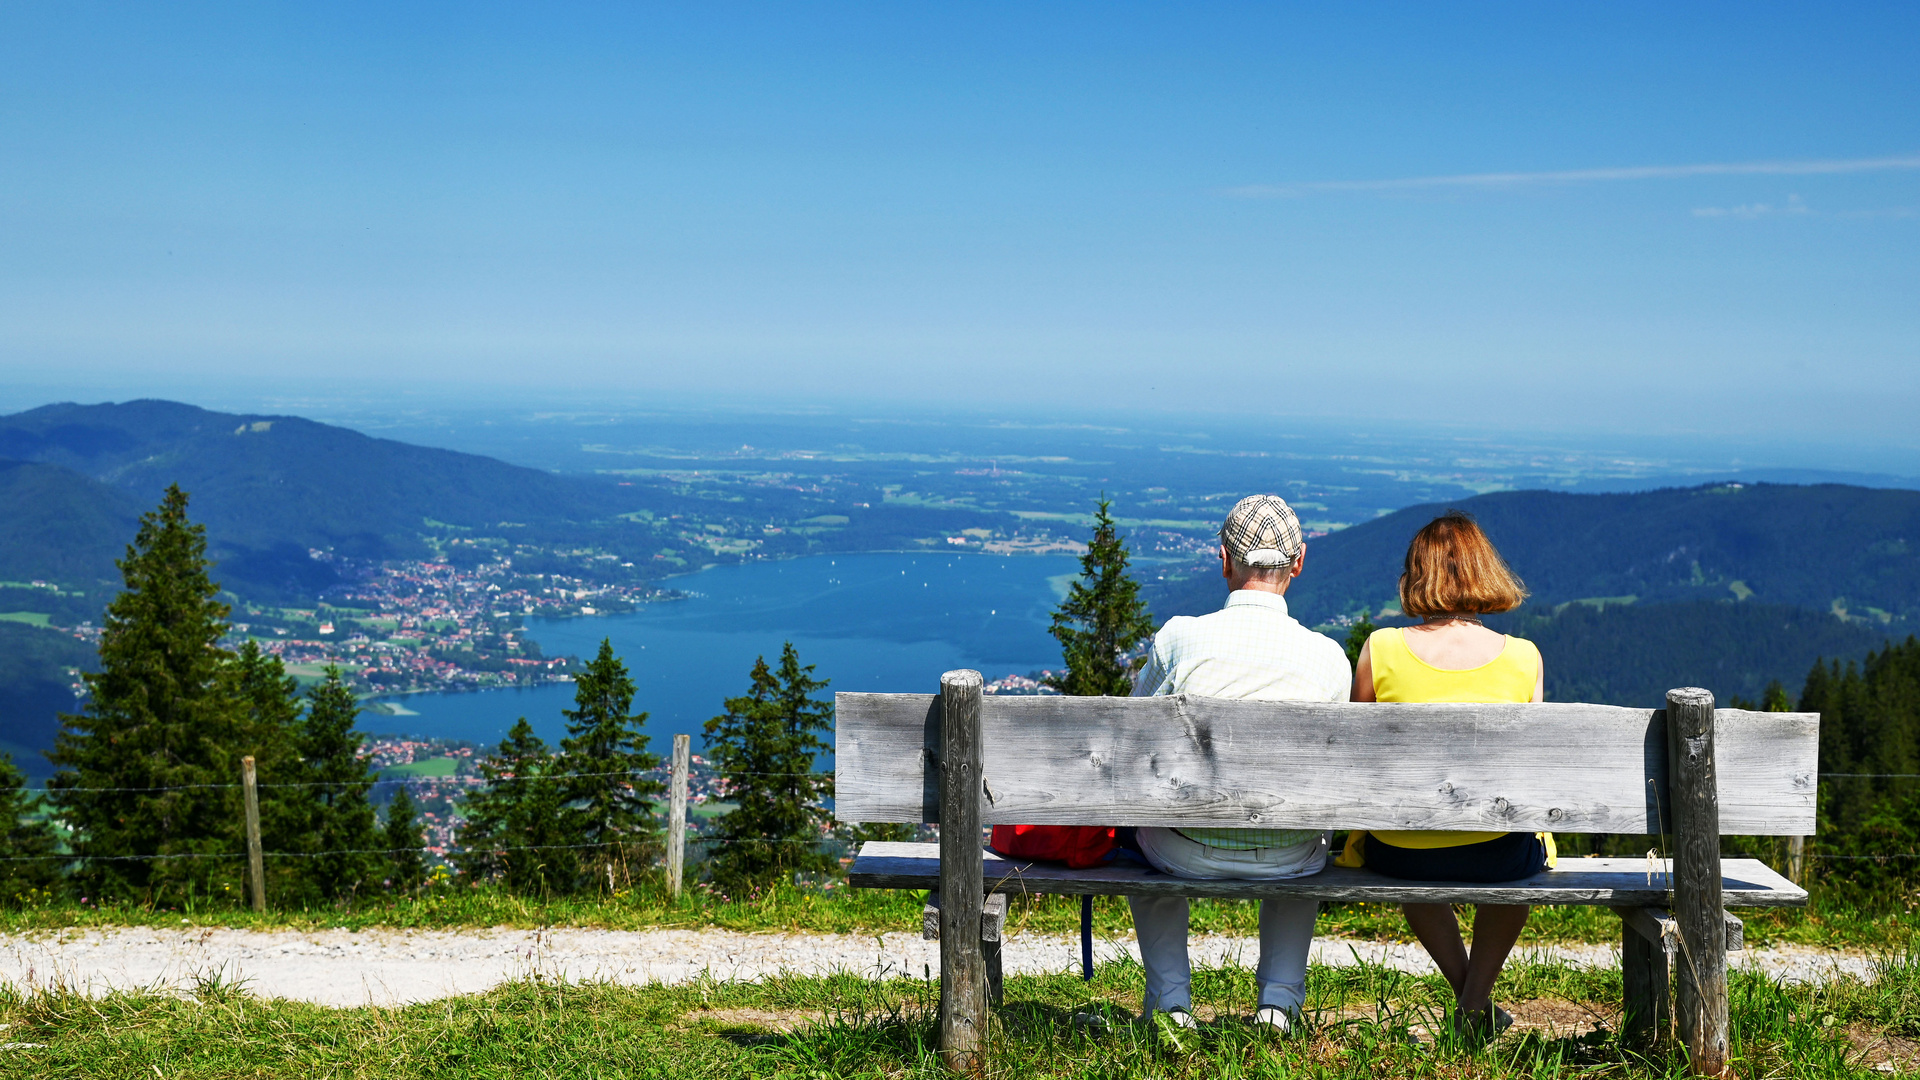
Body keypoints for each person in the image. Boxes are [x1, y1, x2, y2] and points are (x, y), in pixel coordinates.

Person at [1128, 494, 1351, 1035]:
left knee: (1144, 824)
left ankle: (1170, 1006)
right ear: (1297, 563)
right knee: (1302, 836)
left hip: (1182, 847)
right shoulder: (1328, 657)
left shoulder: (1179, 638)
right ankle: (1278, 1006)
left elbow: (1131, 734)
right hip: (1289, 853)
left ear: (1224, 559)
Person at [1347, 510, 1547, 1039]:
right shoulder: (1524, 657)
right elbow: (1530, 770)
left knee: (1409, 846)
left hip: (1400, 849)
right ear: (1486, 569)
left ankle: (1471, 1003)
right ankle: (1473, 1004)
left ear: (1417, 574)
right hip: (1499, 850)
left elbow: (1354, 757)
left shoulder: (1380, 648)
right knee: (1521, 868)